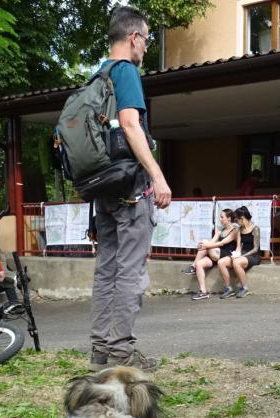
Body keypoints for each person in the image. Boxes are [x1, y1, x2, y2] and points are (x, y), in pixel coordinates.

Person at [88, 6, 172, 373]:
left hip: (102, 188)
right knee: (131, 271)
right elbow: (130, 124)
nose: (146, 47)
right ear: (134, 37)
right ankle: (121, 351)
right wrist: (157, 174)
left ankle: (100, 349)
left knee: (106, 268)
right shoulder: (125, 72)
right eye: (148, 39)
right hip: (130, 188)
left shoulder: (95, 77)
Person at [188, 208, 237, 300]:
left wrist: (206, 245)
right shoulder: (221, 230)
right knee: (199, 264)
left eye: (222, 217)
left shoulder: (234, 231)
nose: (220, 219)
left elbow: (222, 243)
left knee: (205, 242)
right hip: (217, 254)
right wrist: (205, 245)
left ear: (229, 218)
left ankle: (192, 266)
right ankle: (203, 292)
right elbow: (213, 241)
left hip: (226, 255)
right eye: (220, 217)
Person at [217, 206, 260, 299]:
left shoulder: (255, 228)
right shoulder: (239, 229)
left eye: (237, 219)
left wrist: (241, 256)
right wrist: (235, 254)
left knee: (236, 262)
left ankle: (244, 288)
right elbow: (239, 246)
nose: (236, 221)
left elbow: (256, 248)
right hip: (242, 254)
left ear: (242, 218)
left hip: (253, 255)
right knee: (221, 262)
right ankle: (228, 289)